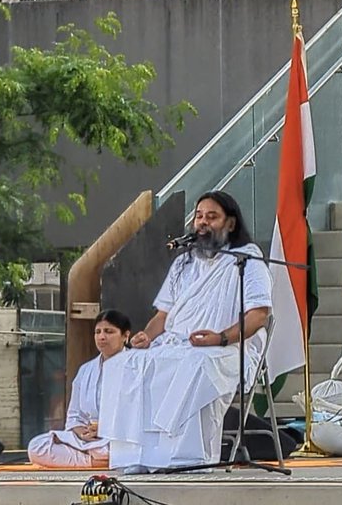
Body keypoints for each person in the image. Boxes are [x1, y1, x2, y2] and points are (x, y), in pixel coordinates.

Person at [98, 191, 273, 473]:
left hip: (229, 347)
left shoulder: (247, 260)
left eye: (211, 217)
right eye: (199, 216)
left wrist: (220, 338)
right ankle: (139, 458)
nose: (202, 223)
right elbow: (163, 315)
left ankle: (187, 459)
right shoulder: (183, 263)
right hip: (177, 343)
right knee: (124, 363)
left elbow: (258, 315)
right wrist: (147, 336)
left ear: (230, 223)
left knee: (196, 365)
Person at [28, 310, 131, 468]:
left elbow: (139, 416)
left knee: (131, 449)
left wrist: (105, 430)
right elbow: (74, 415)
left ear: (125, 336)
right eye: (98, 332)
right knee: (37, 446)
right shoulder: (86, 370)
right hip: (90, 442)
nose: (102, 337)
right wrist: (82, 432)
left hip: (120, 439)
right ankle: (96, 460)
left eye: (109, 331)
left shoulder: (137, 366)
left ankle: (100, 458)